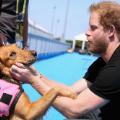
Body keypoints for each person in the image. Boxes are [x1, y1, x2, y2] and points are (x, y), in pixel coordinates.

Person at [10, 1, 120, 120]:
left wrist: (33, 81)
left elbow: (75, 109)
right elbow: (70, 91)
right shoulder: (103, 62)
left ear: (110, 31)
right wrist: (36, 75)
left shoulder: (117, 69)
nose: (87, 32)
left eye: (93, 28)